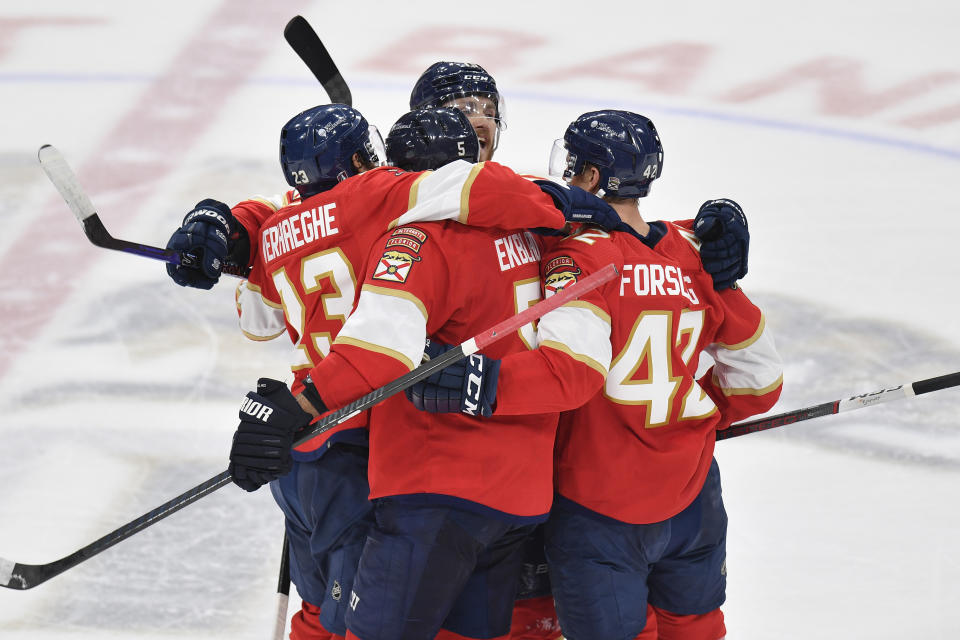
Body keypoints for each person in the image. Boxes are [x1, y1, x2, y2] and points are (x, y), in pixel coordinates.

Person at [165, 103, 563, 640]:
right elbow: (489, 193)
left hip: (304, 449)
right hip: (360, 430)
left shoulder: (277, 227)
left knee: (320, 610)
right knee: (361, 619)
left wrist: (234, 228)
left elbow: (258, 323)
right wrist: (578, 203)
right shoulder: (387, 199)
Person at [410, 110, 781, 640]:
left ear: (588, 177)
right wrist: (691, 423)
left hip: (600, 502)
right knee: (697, 626)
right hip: (693, 497)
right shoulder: (696, 252)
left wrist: (481, 383)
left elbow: (570, 373)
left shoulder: (580, 255)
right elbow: (759, 384)